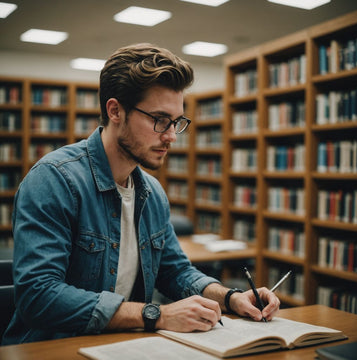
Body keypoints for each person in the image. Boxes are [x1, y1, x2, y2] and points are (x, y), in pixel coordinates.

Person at [2, 43, 280, 345]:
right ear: (115, 110)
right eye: (160, 120)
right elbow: (38, 296)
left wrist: (231, 297)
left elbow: (174, 272)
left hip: (122, 347)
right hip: (50, 349)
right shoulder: (54, 180)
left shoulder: (152, 192)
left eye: (177, 122)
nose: (172, 136)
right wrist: (156, 315)